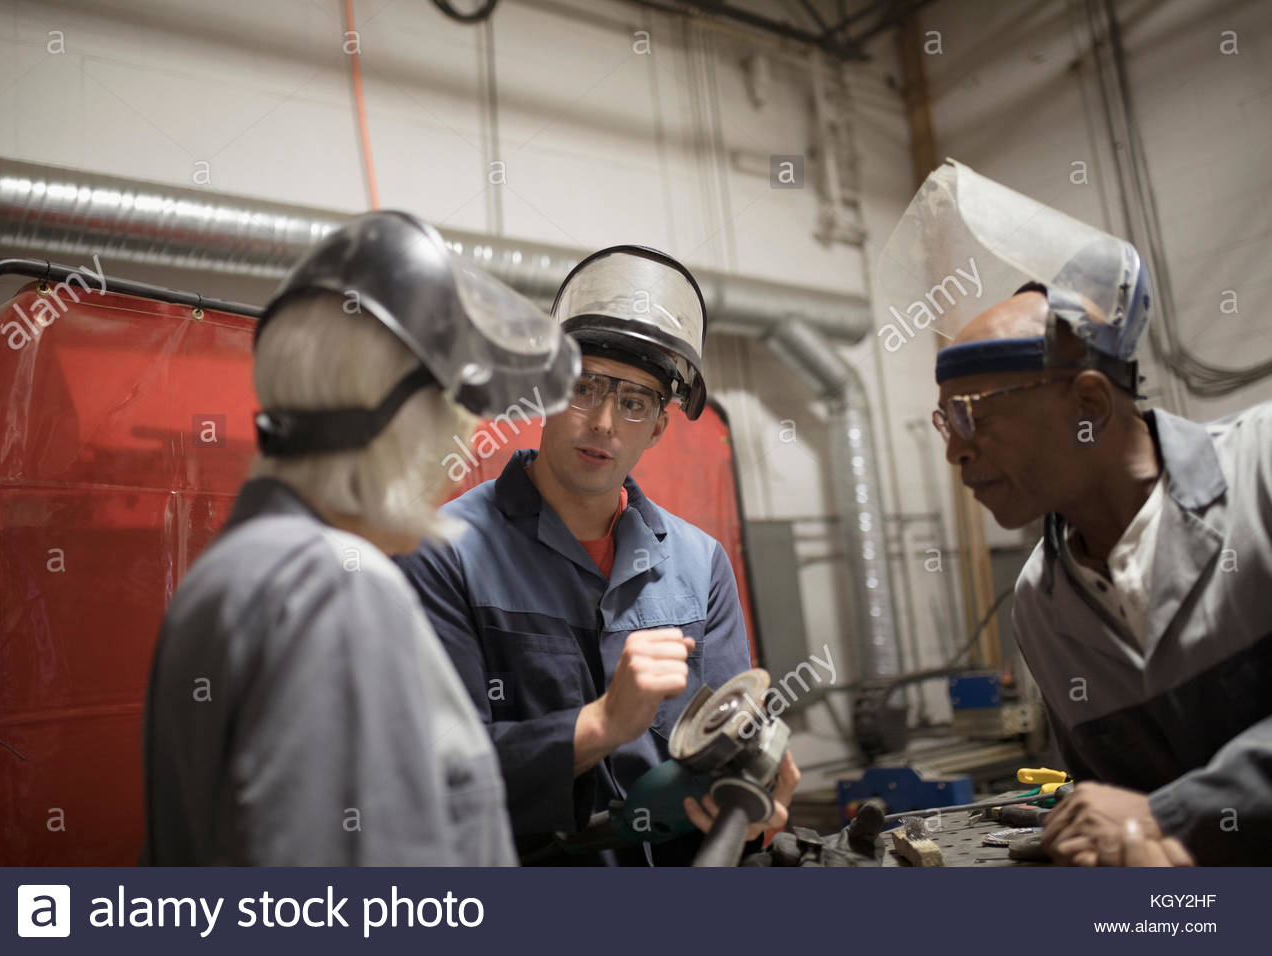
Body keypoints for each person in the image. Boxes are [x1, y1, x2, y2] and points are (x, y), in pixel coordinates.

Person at [142, 211, 579, 865]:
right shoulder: (336, 589)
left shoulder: (230, 573)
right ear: (409, 420)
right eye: (454, 411)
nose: (459, 439)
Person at [885, 160, 1270, 866]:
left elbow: (1147, 815)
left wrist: (1169, 816)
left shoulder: (1262, 472)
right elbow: (1111, 812)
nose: (957, 455)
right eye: (946, 423)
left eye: (973, 416)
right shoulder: (1040, 602)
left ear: (1090, 405)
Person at [397, 245, 798, 865]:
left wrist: (754, 797)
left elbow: (732, 745)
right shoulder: (443, 551)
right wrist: (602, 725)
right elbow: (435, 777)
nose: (605, 422)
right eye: (583, 389)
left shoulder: (700, 563)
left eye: (634, 402)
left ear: (658, 427)